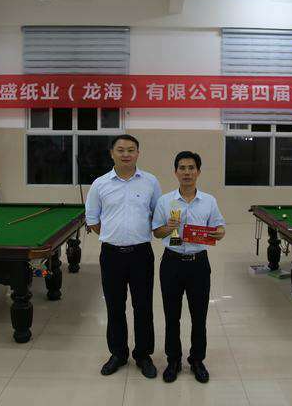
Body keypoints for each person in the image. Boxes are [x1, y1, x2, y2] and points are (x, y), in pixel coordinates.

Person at [85, 134, 162, 378]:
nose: (126, 154)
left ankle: (143, 354)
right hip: (111, 255)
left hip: (141, 254)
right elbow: (93, 220)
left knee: (143, 306)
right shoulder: (100, 184)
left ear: (138, 153)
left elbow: (157, 215)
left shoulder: (150, 182)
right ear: (112, 153)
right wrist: (114, 235)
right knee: (114, 306)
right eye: (120, 150)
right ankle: (118, 353)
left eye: (131, 150)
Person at [152, 151, 225, 383]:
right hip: (171, 262)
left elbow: (219, 229)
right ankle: (173, 360)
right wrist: (168, 226)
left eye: (191, 168)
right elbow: (156, 232)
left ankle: (196, 360)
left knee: (199, 316)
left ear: (198, 172)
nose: (187, 172)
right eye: (182, 168)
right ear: (175, 172)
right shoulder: (165, 201)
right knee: (171, 316)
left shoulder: (209, 201)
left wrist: (218, 233)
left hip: (198, 264)